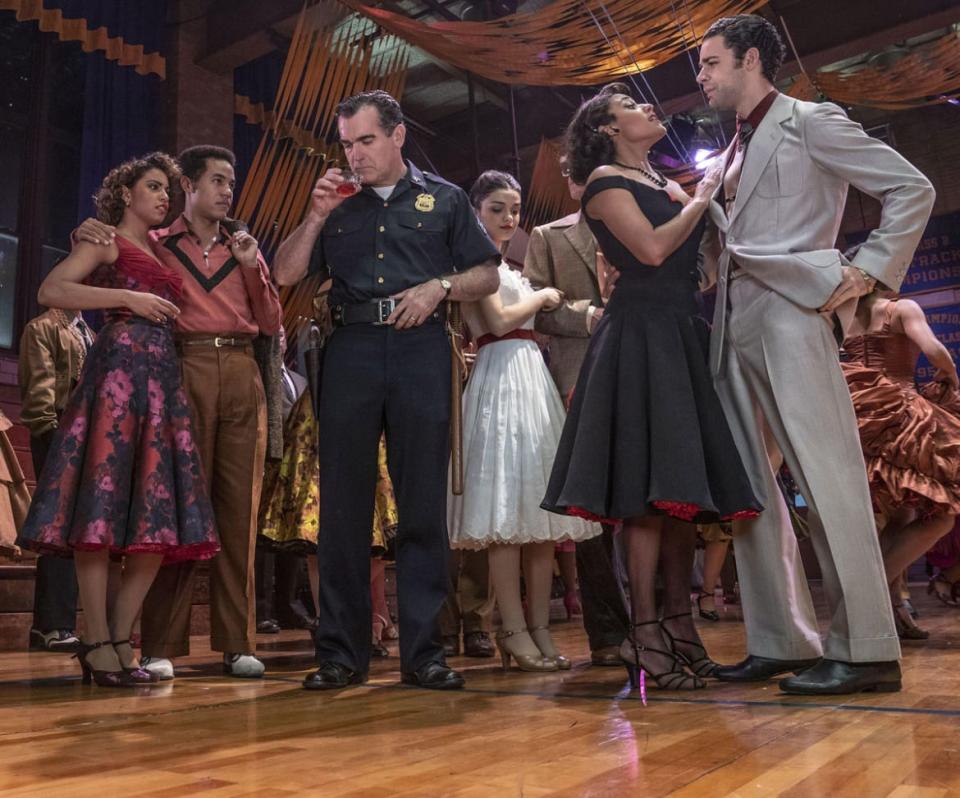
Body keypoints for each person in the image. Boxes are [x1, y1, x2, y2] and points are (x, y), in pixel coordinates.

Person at [697, 14, 935, 694]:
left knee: (826, 476)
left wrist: (869, 271)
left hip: (796, 314)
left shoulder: (812, 122)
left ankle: (865, 650)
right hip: (733, 321)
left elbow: (912, 188)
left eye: (711, 62)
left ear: (749, 60)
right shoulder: (730, 149)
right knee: (750, 489)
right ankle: (780, 640)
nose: (702, 76)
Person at [273, 90, 500, 691]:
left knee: (423, 502)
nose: (354, 155)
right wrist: (317, 214)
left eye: (365, 141)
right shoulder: (337, 204)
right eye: (347, 144)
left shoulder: (445, 199)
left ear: (397, 136)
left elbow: (487, 272)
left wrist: (440, 286)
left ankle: (425, 654)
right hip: (350, 352)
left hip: (421, 350)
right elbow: (285, 272)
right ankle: (341, 654)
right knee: (344, 507)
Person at [542, 84, 762, 692]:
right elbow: (654, 249)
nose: (650, 108)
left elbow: (699, 267)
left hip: (677, 333)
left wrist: (707, 205)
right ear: (608, 128)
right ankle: (643, 630)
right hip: (637, 338)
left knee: (681, 490)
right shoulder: (606, 185)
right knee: (646, 491)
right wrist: (704, 195)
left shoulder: (662, 183)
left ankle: (679, 626)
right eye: (634, 108)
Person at [73, 145, 283, 680]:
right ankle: (160, 643)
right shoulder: (160, 242)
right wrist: (87, 231)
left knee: (239, 512)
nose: (226, 191)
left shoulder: (245, 246)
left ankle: (237, 642)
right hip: (180, 365)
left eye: (230, 182)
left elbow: (270, 320)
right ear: (188, 185)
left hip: (240, 368)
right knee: (177, 505)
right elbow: (113, 248)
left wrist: (250, 268)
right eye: (215, 180)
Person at [15, 152, 219, 687]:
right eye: (152, 187)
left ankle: (121, 640)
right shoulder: (103, 239)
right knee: (99, 513)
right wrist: (127, 295)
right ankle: (99, 641)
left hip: (161, 380)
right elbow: (51, 290)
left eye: (167, 191)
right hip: (117, 374)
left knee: (154, 516)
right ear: (125, 193)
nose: (162, 197)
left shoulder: (160, 245)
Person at [448, 170, 601, 672]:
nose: (509, 219)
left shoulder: (508, 263)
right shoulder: (473, 259)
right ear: (475, 210)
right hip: (498, 374)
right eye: (497, 208)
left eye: (514, 209)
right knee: (504, 519)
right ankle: (510, 629)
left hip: (531, 377)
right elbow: (495, 321)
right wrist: (542, 297)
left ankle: (539, 626)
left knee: (539, 522)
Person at [524, 155, 629, 667]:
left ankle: (655, 621)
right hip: (578, 375)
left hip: (639, 368)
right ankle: (608, 632)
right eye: (577, 173)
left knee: (646, 504)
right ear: (568, 183)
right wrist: (587, 316)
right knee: (594, 515)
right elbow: (537, 305)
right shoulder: (547, 236)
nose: (586, 180)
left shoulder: (635, 217)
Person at [842, 290, 960, 639]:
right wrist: (952, 377)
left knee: (899, 519)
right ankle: (869, 599)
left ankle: (892, 610)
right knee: (942, 514)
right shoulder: (902, 308)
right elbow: (934, 350)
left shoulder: (844, 317)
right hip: (901, 413)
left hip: (857, 414)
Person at [17, 307, 95, 651]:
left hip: (87, 435)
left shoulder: (88, 332)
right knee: (56, 528)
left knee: (74, 530)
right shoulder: (42, 328)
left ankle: (58, 624)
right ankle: (50, 625)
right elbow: (39, 395)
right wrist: (51, 438)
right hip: (57, 432)